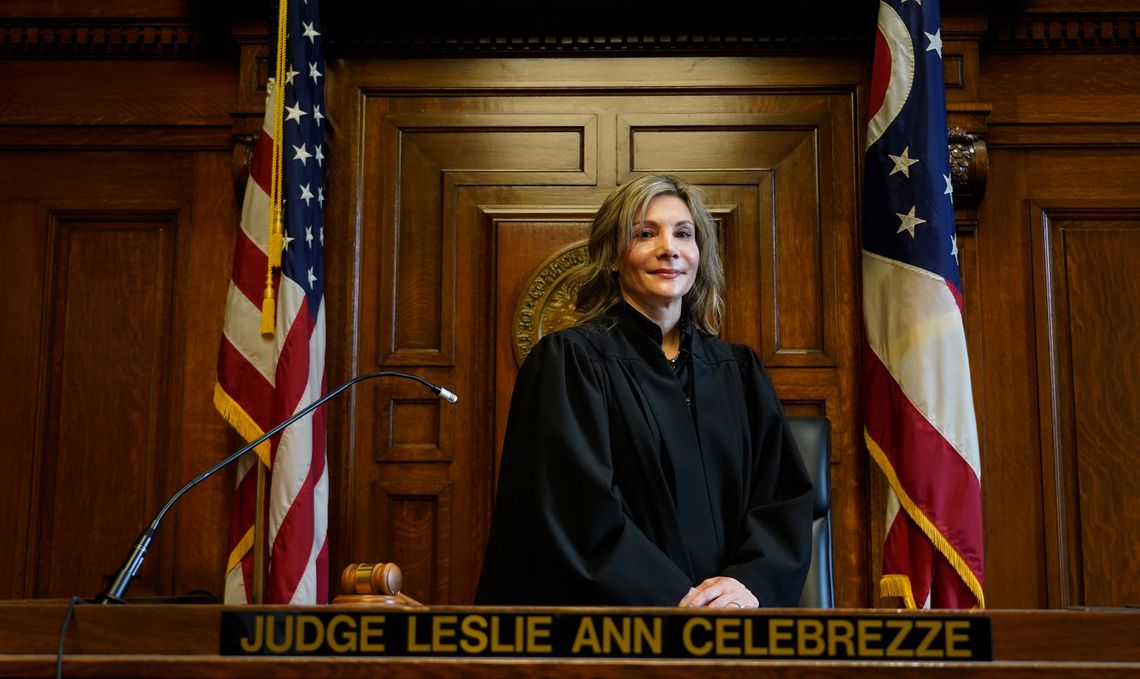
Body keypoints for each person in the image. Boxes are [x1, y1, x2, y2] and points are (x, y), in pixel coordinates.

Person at [476, 174, 813, 608]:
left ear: (699, 253)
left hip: (735, 627)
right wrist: (681, 600)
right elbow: (574, 512)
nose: (668, 248)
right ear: (613, 256)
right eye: (644, 233)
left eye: (684, 234)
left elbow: (781, 497)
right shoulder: (570, 363)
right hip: (616, 635)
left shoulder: (738, 371)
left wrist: (748, 584)